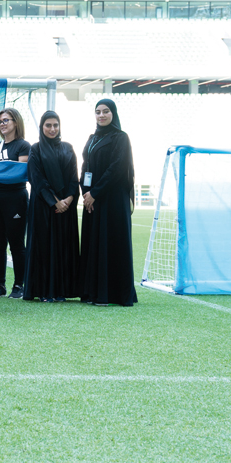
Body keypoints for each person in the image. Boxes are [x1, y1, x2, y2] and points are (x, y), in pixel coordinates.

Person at [78, 99, 137, 307]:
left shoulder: (120, 137)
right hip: (93, 201)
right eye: (98, 112)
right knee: (94, 243)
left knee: (111, 243)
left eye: (106, 111)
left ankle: (112, 294)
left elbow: (117, 168)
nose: (101, 115)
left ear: (113, 113)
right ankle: (93, 291)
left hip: (112, 201)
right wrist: (85, 193)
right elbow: (85, 166)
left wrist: (95, 192)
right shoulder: (92, 138)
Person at [23, 111, 80, 303]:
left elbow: (74, 177)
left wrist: (69, 199)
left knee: (64, 248)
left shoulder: (68, 148)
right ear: (42, 127)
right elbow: (36, 179)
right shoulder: (35, 149)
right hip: (43, 207)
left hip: (66, 208)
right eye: (48, 125)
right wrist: (54, 201)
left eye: (55, 125)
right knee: (44, 248)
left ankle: (62, 291)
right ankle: (44, 291)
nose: (52, 129)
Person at [0, 107, 31, 299]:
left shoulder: (23, 145)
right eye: (0, 121)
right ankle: (0, 284)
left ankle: (19, 285)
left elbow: (19, 174)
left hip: (16, 199)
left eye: (6, 120)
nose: (2, 124)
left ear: (16, 122)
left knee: (16, 243)